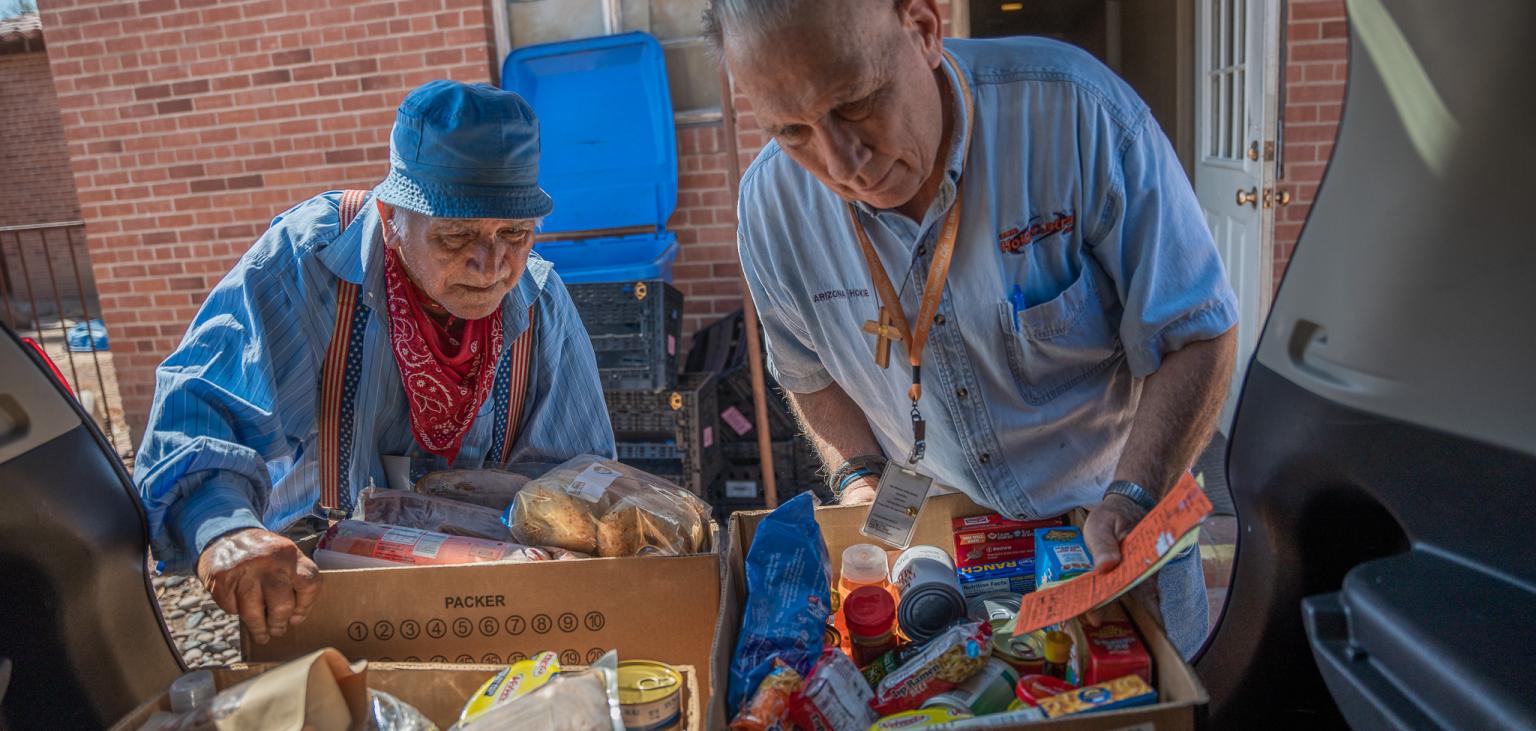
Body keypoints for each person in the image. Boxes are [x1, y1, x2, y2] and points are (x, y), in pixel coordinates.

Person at [705, 0, 1238, 656]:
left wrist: (1134, 495)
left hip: (1110, 531)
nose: (842, 162)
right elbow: (811, 377)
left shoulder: (1077, 115)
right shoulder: (770, 210)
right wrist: (864, 483)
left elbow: (1196, 332)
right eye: (791, 131)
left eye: (857, 103)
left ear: (925, 28)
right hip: (944, 556)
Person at [134, 81, 615, 645]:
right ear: (391, 216)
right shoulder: (304, 263)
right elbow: (202, 410)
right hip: (321, 595)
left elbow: (579, 477)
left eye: (514, 233)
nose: (491, 266)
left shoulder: (540, 299)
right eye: (456, 235)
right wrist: (224, 527)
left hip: (492, 601)